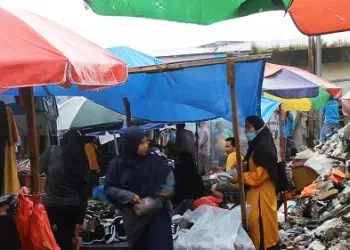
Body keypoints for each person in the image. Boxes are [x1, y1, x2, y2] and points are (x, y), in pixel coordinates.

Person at [105, 126, 174, 250]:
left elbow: (168, 176)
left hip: (158, 214)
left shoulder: (153, 158)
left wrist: (164, 193)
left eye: (146, 141)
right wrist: (130, 196)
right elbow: (109, 189)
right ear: (131, 144)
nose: (146, 145)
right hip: (135, 218)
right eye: (141, 143)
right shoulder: (118, 165)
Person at [40, 129, 90, 250]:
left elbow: (37, 169)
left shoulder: (52, 151)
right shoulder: (81, 157)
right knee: (67, 240)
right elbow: (85, 189)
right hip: (74, 207)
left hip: (52, 205)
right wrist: (81, 217)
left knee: (51, 239)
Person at [234, 116, 279, 250]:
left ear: (258, 128)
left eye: (249, 127)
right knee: (255, 226)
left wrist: (241, 176)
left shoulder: (265, 149)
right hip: (255, 195)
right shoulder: (256, 146)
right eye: (245, 127)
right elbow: (252, 164)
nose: (246, 131)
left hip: (262, 196)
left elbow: (259, 176)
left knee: (262, 227)